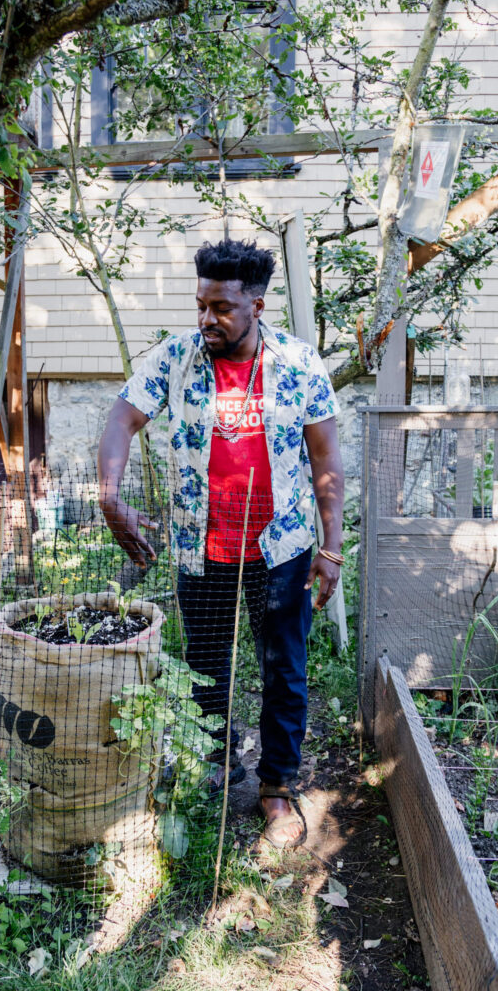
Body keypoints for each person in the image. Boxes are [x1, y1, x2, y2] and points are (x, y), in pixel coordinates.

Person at [97, 238, 344, 849]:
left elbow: (326, 459)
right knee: (205, 669)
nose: (207, 319)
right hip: (200, 548)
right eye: (201, 305)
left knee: (283, 670)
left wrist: (331, 549)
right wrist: (109, 495)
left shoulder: (299, 363)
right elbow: (121, 417)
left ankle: (276, 788)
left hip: (279, 549)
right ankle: (217, 765)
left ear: (256, 306)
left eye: (222, 308)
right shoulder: (177, 359)